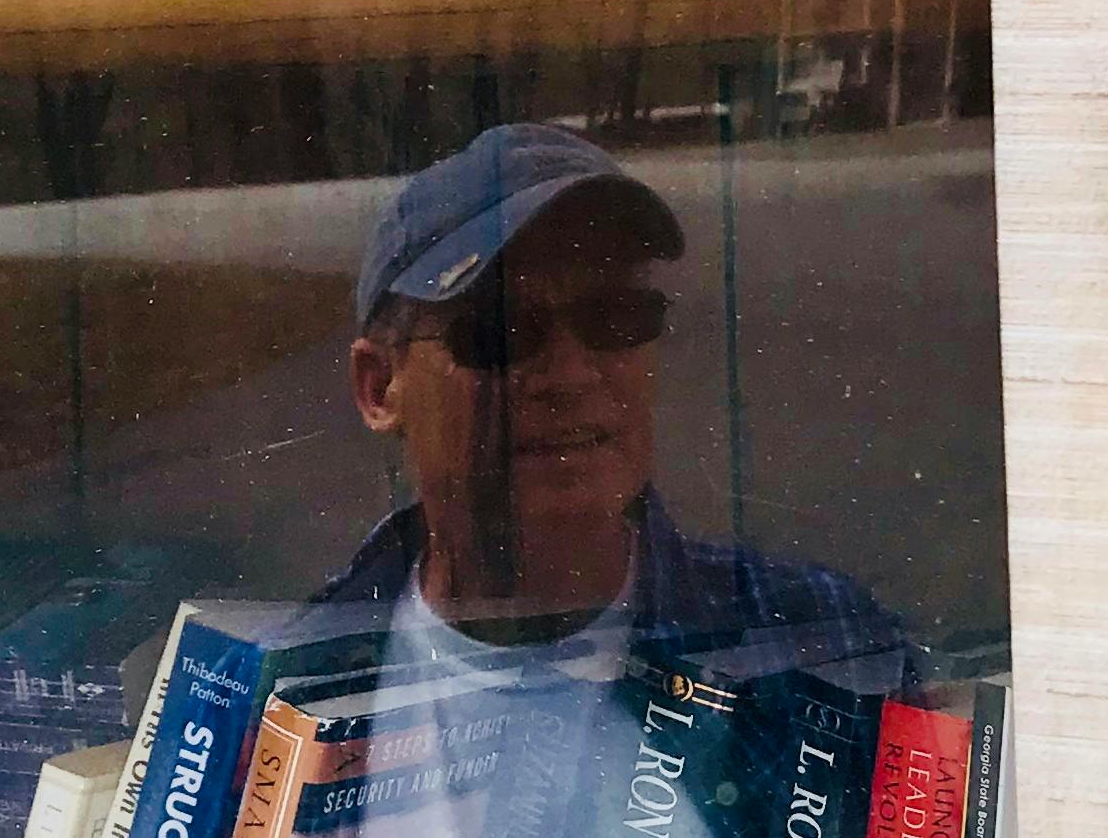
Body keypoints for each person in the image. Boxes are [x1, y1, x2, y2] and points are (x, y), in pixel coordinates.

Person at [316, 118, 913, 692]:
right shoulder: (280, 685)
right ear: (379, 388)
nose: (571, 376)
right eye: (500, 334)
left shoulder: (827, 649)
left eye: (618, 317)